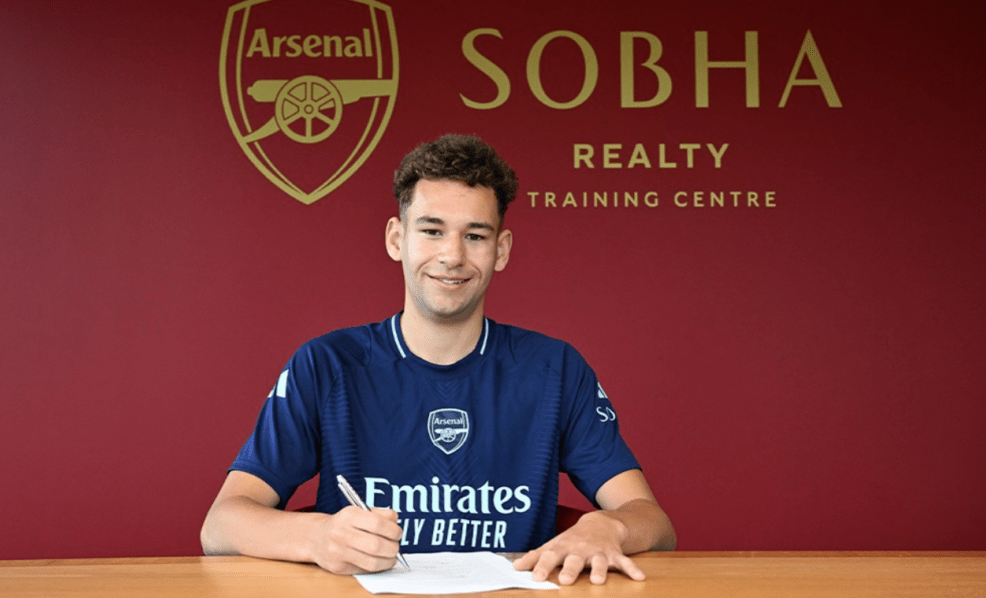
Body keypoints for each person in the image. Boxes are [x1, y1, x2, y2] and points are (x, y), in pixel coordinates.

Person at [200, 134, 675, 585]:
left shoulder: (555, 369)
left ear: (501, 250)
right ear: (396, 238)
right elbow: (220, 526)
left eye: (475, 236)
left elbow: (652, 521)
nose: (452, 256)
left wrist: (608, 527)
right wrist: (318, 537)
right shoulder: (327, 365)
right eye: (431, 231)